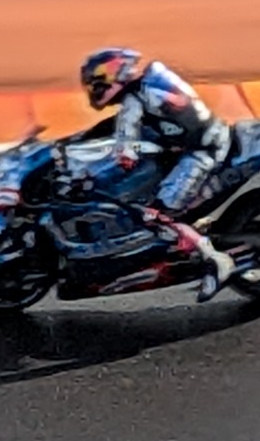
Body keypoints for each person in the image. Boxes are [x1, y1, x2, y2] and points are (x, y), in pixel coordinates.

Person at [69, 46, 240, 298]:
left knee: (157, 212)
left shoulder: (133, 102)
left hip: (200, 151)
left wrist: (94, 173)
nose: (95, 90)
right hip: (197, 140)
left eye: (97, 83)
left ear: (115, 77)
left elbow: (126, 150)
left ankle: (216, 262)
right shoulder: (153, 77)